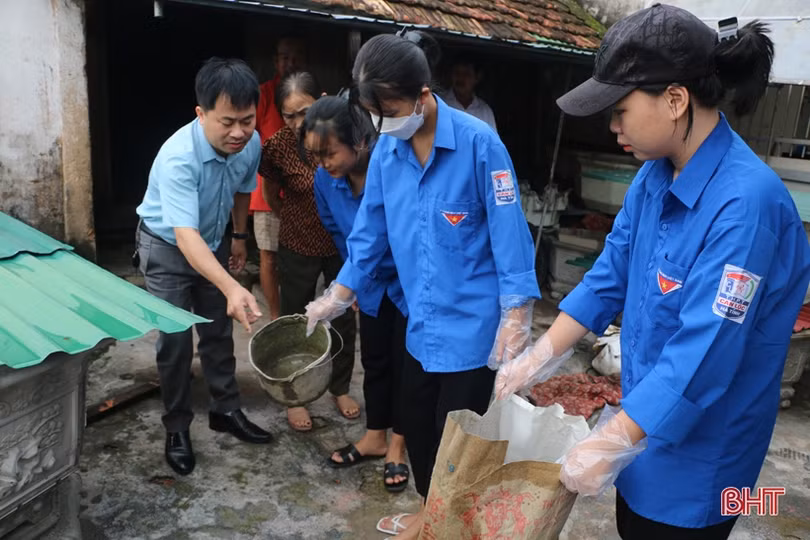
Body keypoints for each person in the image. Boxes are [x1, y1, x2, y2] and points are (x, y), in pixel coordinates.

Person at [496, 5, 810, 540]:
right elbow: (610, 272)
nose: (613, 126)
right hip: (644, 418)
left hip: (704, 452)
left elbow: (705, 353)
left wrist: (613, 437)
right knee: (633, 523)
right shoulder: (655, 175)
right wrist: (539, 355)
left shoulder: (745, 207)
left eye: (620, 109)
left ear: (675, 99)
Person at [304, 31, 539, 538]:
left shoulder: (480, 145)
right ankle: (432, 514)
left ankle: (454, 523)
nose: (383, 125)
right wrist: (339, 293)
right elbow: (369, 232)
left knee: (460, 440)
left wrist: (517, 315)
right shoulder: (388, 153)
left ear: (423, 95)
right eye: (374, 114)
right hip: (421, 324)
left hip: (474, 332)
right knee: (417, 427)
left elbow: (510, 234)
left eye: (389, 111)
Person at [135, 58, 273, 477]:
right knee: (176, 342)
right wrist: (232, 286)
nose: (239, 132)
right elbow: (185, 237)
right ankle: (177, 427)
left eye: (247, 120)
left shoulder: (251, 143)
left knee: (217, 332)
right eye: (227, 122)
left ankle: (225, 410)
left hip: (212, 240)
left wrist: (239, 236)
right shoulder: (179, 157)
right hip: (167, 247)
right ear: (201, 114)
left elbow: (243, 189)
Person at [300, 95, 411, 492]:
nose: (323, 163)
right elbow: (336, 228)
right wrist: (353, 284)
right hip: (367, 280)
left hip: (408, 282)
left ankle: (398, 445)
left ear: (360, 141)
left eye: (329, 153)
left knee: (406, 363)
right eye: (315, 155)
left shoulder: (392, 166)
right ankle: (375, 435)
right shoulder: (325, 180)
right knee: (375, 358)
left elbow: (398, 233)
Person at [258, 72, 359, 432]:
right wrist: (293, 217)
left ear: (323, 100)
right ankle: (295, 394)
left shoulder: (341, 137)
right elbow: (271, 194)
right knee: (296, 318)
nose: (298, 122)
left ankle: (339, 387)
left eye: (304, 112)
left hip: (339, 243)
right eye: (289, 115)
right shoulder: (277, 146)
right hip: (298, 242)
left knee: (342, 316)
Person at [250, 36, 307, 321]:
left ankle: (300, 315)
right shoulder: (262, 95)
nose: (290, 63)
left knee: (301, 258)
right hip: (266, 191)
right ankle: (276, 318)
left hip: (303, 191)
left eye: (295, 58)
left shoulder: (308, 94)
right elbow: (250, 139)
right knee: (269, 256)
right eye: (285, 58)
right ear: (275, 62)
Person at [442, 53, 497, 133]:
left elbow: (491, 140)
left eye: (466, 74)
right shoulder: (440, 103)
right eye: (457, 73)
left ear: (477, 77)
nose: (460, 78)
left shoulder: (484, 111)